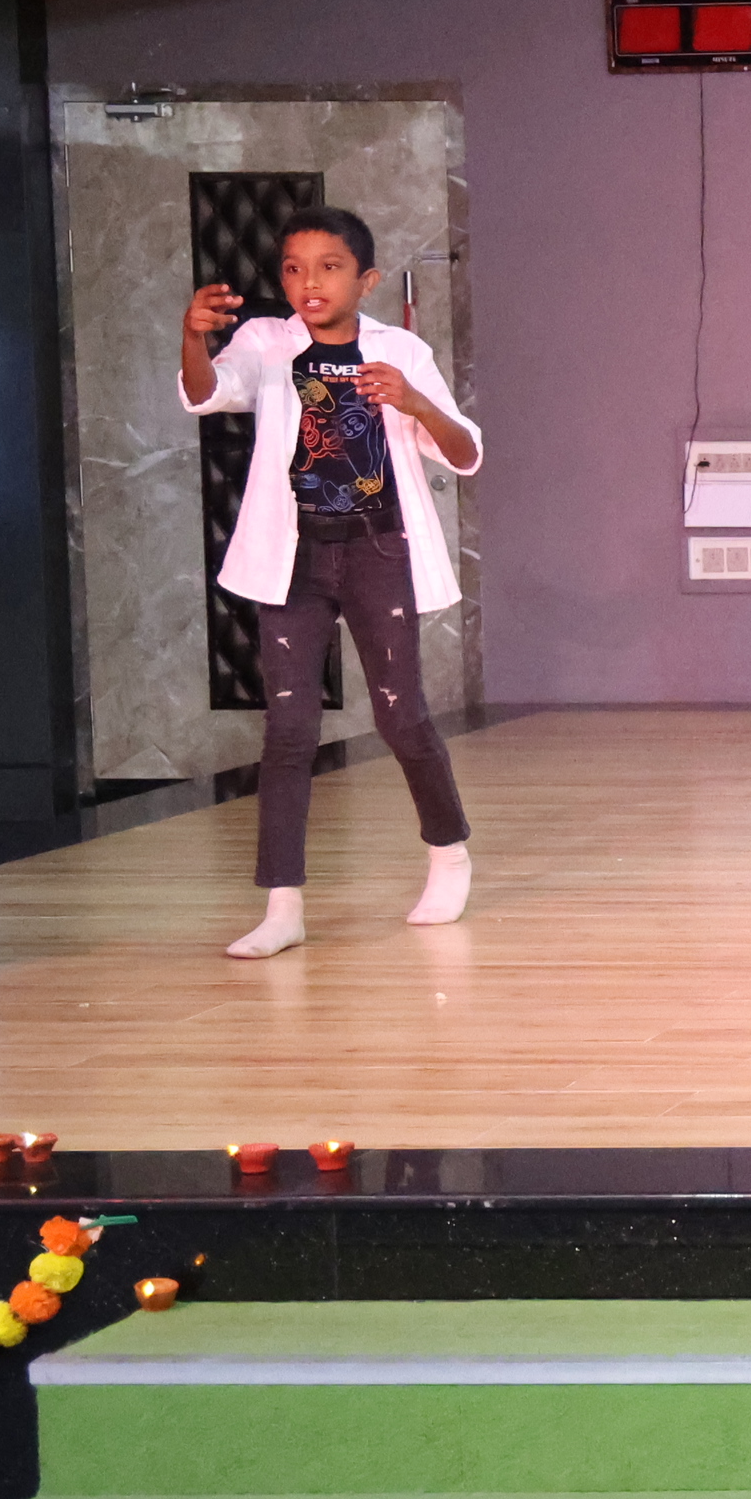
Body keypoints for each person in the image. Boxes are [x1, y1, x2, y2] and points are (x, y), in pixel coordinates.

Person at [176, 207, 480, 959]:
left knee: (401, 716)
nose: (309, 282)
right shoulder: (266, 342)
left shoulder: (399, 349)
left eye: (329, 267)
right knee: (289, 731)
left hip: (380, 551)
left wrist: (413, 401)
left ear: (366, 280)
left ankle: (449, 852)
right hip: (294, 558)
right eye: (293, 268)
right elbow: (207, 394)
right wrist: (193, 337)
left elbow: (466, 452)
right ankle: (283, 906)